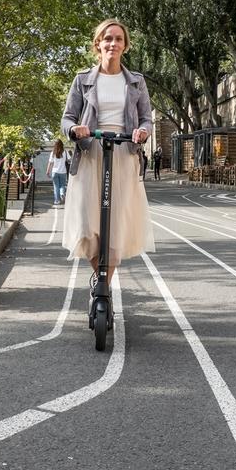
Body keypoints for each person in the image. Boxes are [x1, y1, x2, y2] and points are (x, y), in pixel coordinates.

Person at [61, 18, 156, 293]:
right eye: (107, 38)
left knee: (116, 228)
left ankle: (103, 286)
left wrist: (142, 131)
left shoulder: (136, 82)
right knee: (86, 226)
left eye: (118, 39)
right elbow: (67, 118)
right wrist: (75, 129)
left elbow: (146, 119)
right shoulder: (82, 80)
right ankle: (100, 278)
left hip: (124, 155)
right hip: (91, 154)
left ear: (125, 46)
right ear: (98, 45)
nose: (112, 43)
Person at [46, 139, 70, 205]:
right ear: (62, 144)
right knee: (62, 185)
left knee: (56, 186)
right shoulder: (65, 152)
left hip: (55, 172)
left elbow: (50, 163)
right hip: (63, 172)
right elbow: (69, 159)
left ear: (55, 145)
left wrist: (48, 171)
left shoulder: (53, 153)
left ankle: (57, 201)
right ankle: (62, 193)